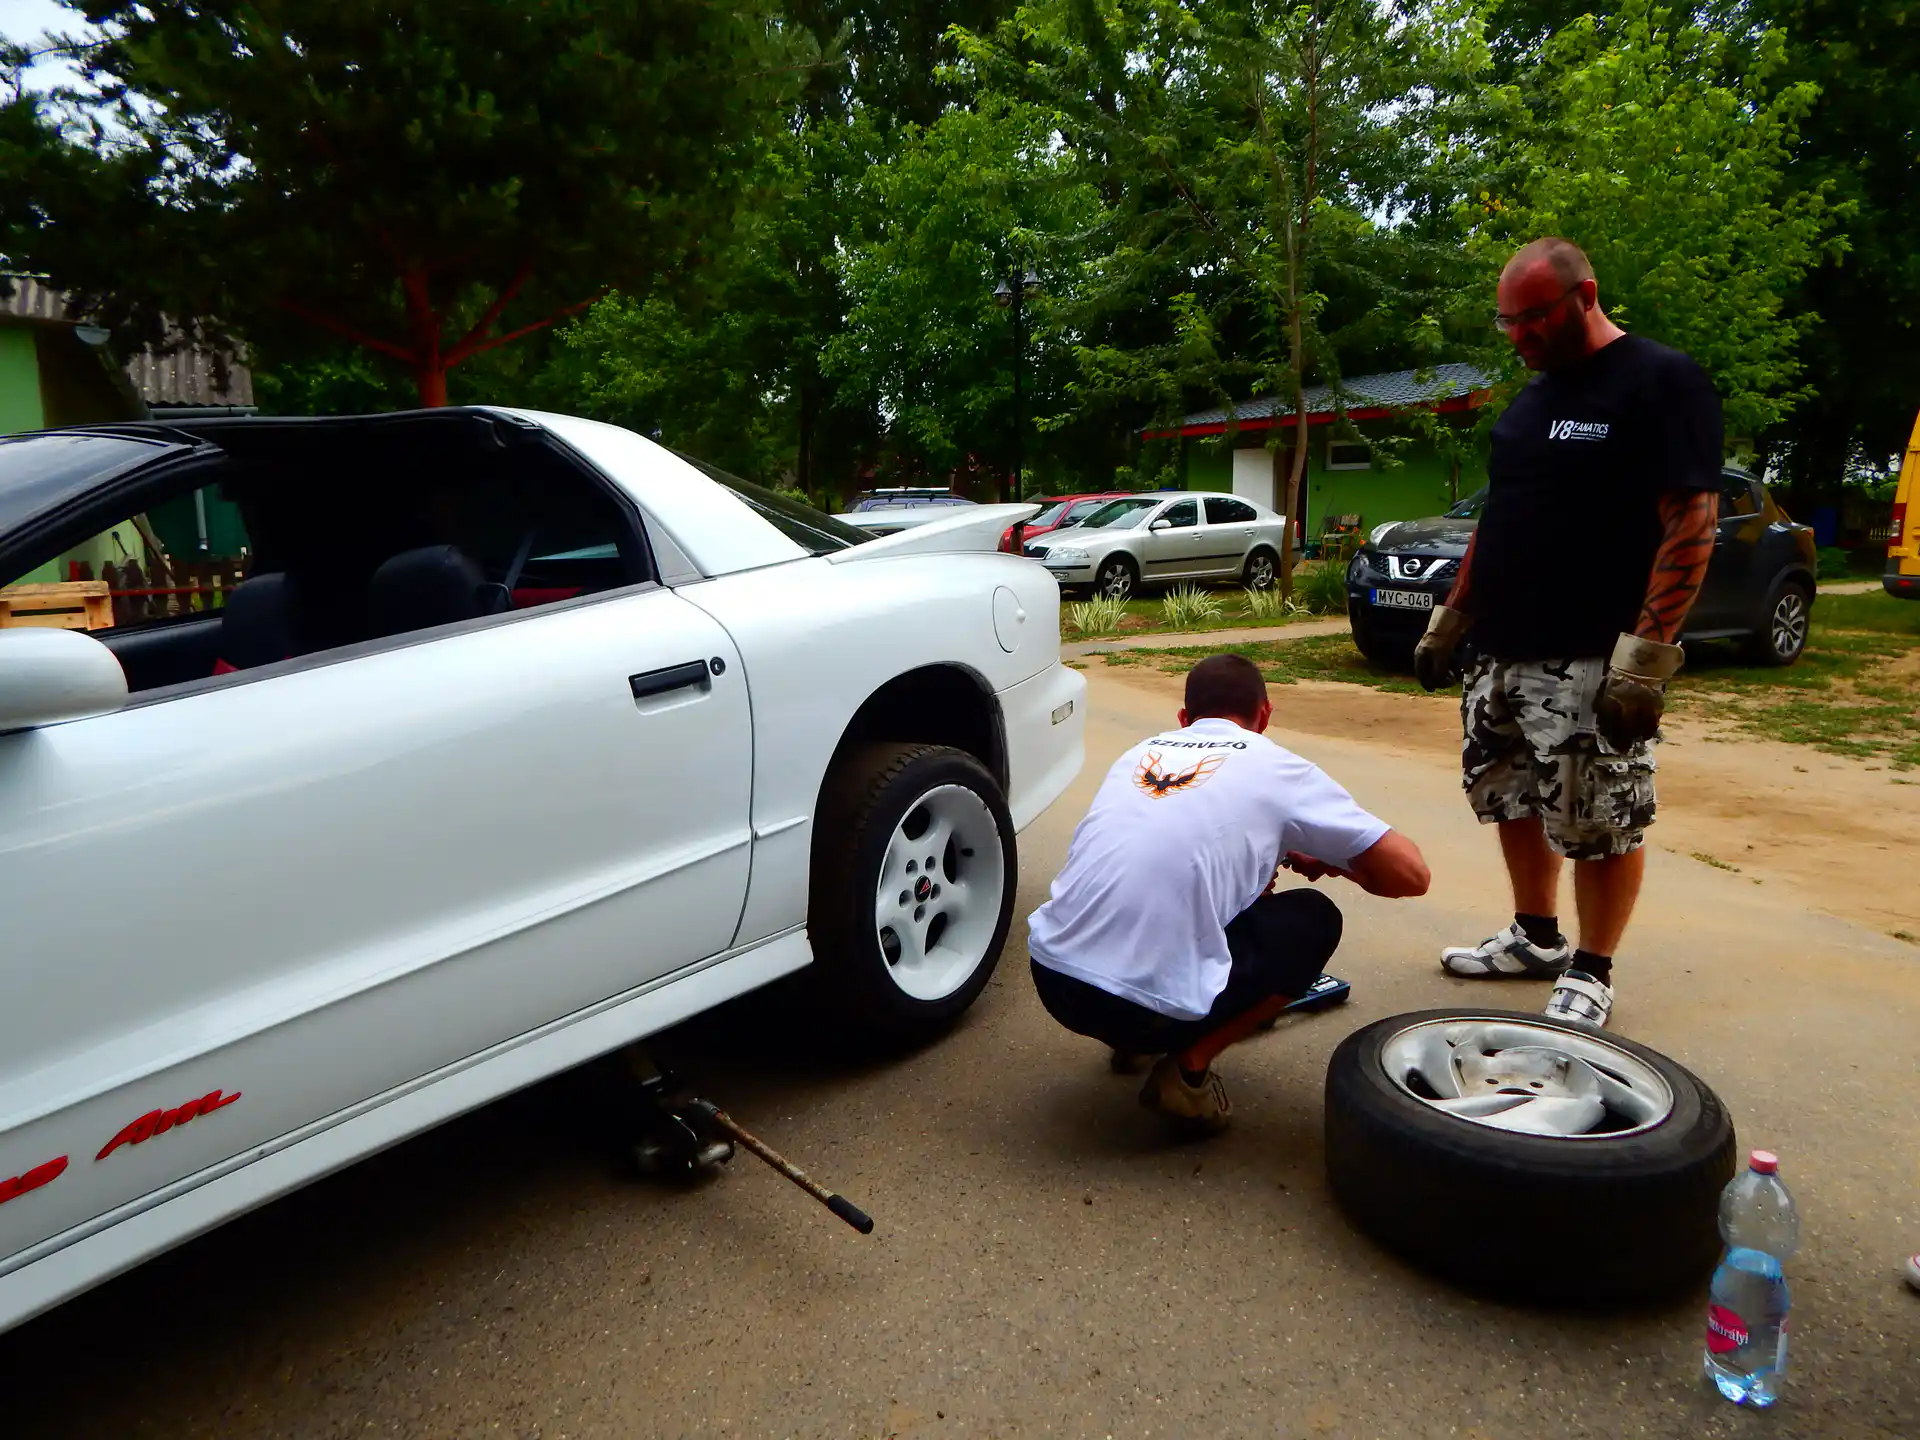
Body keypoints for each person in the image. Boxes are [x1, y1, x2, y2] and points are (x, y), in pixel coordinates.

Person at [1414, 236, 1723, 1030]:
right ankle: (1536, 937)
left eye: (1533, 318)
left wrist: (1643, 664)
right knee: (1509, 795)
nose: (1518, 335)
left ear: (1584, 296)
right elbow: (1499, 519)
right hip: (1500, 647)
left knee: (1601, 818)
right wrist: (1453, 618)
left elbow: (1691, 521)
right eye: (1506, 321)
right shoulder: (1531, 399)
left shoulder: (1661, 380)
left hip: (1590, 650)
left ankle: (1593, 969)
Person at [1026, 654, 1430, 1134]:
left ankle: (1135, 1038)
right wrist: (1334, 864)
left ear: (1184, 718)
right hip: (1137, 1009)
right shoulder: (1277, 767)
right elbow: (1411, 875)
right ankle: (1187, 1072)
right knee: (1315, 919)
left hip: (1054, 978)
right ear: (1265, 714)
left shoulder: (1141, 753)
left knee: (1182, 894)